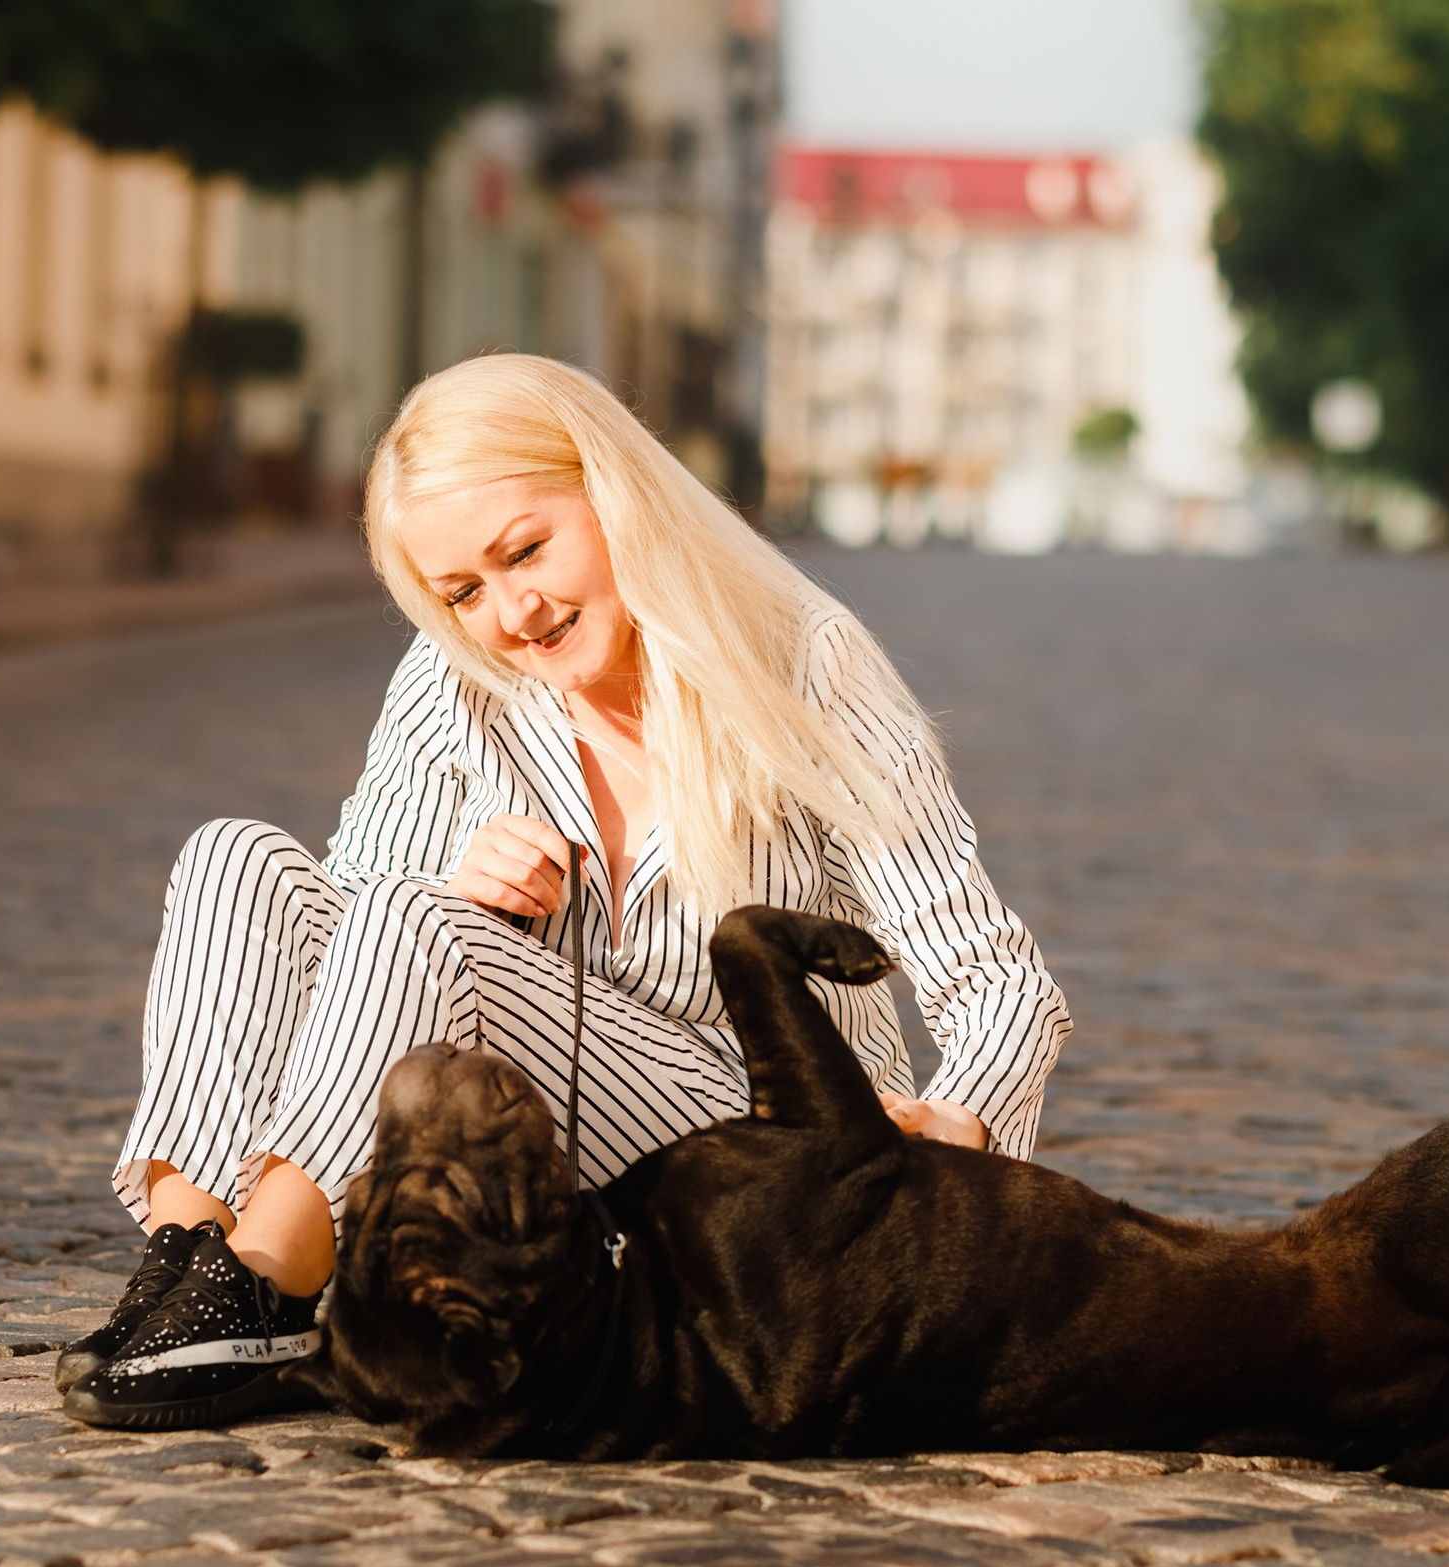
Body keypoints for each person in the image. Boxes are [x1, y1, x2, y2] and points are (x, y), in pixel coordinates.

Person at [58, 354, 1072, 1431]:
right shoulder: (457, 673)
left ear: (610, 490)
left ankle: (278, 1280)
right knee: (238, 859)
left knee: (414, 917)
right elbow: (332, 937)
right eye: (463, 590)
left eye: (525, 550)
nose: (514, 611)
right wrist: (453, 881)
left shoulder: (802, 660)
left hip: (770, 1160)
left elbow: (1000, 981)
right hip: (561, 1151)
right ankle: (191, 1257)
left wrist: (957, 1130)